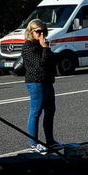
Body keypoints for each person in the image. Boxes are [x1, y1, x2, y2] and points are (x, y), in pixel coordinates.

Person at [21, 19, 58, 153]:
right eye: (38, 31)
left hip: (47, 81)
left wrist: (46, 49)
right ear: (31, 32)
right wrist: (45, 49)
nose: (41, 34)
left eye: (44, 31)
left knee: (50, 110)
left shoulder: (41, 45)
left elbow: (52, 60)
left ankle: (50, 141)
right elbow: (40, 64)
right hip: (36, 82)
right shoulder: (28, 47)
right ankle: (33, 143)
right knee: (36, 112)